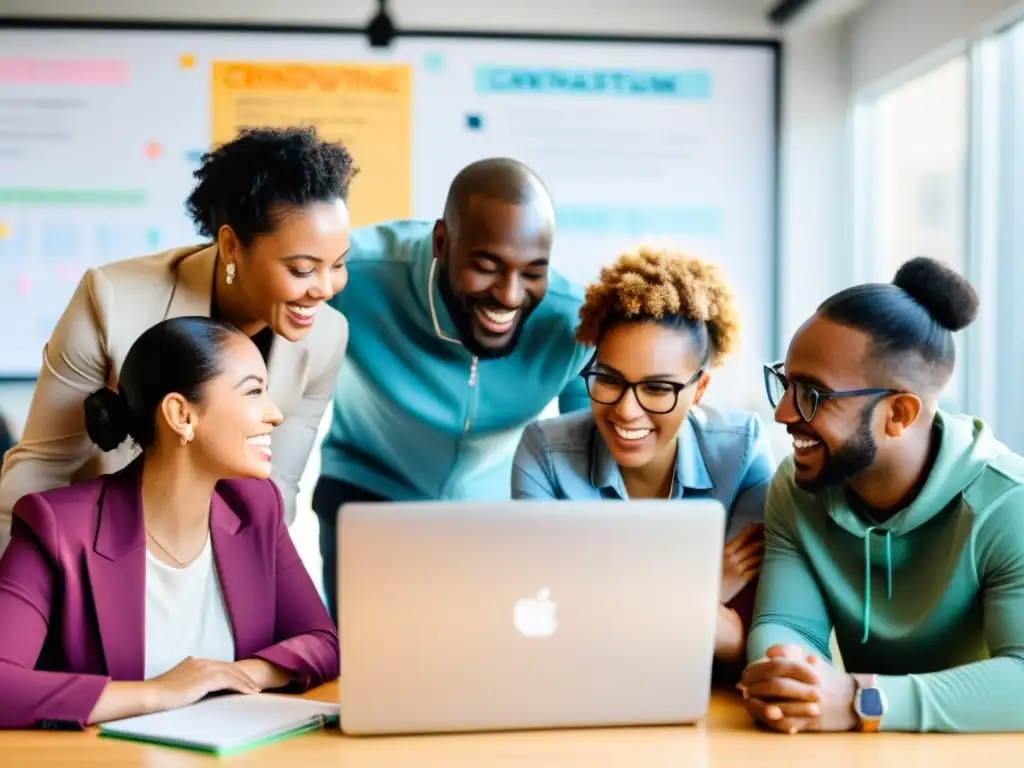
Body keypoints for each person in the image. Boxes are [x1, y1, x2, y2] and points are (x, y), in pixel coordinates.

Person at [0, 126, 357, 554]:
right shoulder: (113, 300)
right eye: (302, 270)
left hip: (209, 557)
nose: (326, 288)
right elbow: (41, 468)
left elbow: (275, 490)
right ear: (230, 245)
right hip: (92, 551)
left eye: (338, 264)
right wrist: (22, 589)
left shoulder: (325, 337)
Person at [0, 317, 338, 730]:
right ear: (182, 415)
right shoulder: (57, 527)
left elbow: (322, 642)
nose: (274, 414)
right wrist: (162, 691)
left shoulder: (255, 509)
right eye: (253, 392)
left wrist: (238, 676)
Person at [741, 257, 1024, 734]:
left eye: (811, 394)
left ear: (899, 414)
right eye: (785, 384)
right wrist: (796, 686)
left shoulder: (1007, 503)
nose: (784, 413)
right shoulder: (798, 486)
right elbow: (787, 625)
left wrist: (861, 700)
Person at [313, 157, 592, 619]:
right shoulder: (351, 274)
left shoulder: (574, 323)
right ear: (442, 242)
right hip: (367, 495)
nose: (509, 294)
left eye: (532, 271)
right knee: (370, 671)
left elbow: (585, 466)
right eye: (486, 266)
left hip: (494, 515)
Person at [511, 246, 774, 673]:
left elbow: (748, 642)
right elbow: (547, 623)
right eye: (610, 380)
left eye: (657, 388)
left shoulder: (741, 451)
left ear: (700, 389)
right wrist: (703, 594)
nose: (626, 411)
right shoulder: (544, 453)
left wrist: (601, 602)